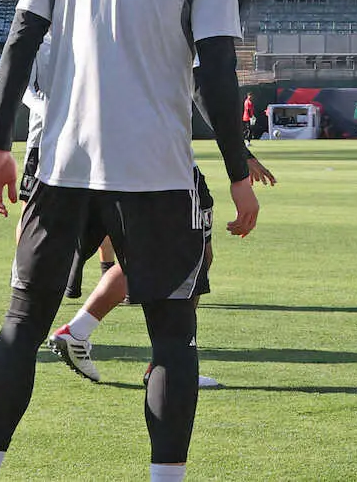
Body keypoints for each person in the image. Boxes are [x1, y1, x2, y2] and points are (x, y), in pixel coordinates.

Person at [0, 0, 259, 482]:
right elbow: (217, 74)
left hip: (62, 165)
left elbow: (20, 42)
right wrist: (238, 171)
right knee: (172, 335)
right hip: (155, 172)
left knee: (21, 323)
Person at [48, 150, 277, 387]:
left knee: (145, 257)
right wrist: (240, 162)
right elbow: (217, 122)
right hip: (168, 170)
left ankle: (80, 332)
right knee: (193, 258)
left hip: (121, 169)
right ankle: (170, 361)